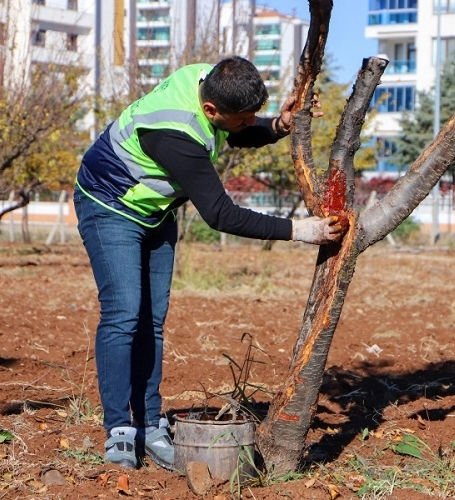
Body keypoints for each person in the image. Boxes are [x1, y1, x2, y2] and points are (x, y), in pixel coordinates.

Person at [73, 56, 346, 470]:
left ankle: (150, 424)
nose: (247, 123)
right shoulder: (174, 134)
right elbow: (221, 215)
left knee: (152, 321)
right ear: (210, 109)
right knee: (123, 314)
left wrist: (278, 125)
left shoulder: (210, 79)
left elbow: (236, 131)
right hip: (109, 206)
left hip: (154, 212)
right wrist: (299, 230)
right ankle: (119, 431)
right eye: (242, 118)